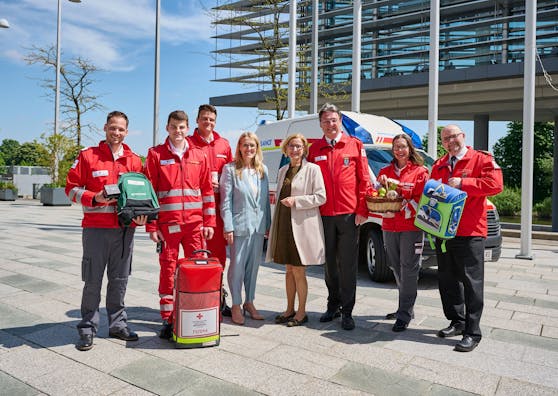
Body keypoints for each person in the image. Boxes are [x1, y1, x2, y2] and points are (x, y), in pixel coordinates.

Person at [66, 110, 147, 351]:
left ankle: (117, 325)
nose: (117, 133)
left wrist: (141, 217)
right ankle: (87, 328)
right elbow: (70, 189)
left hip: (124, 231)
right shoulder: (88, 156)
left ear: (127, 131)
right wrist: (95, 197)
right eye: (113, 128)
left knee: (120, 280)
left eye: (121, 129)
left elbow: (140, 193)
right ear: (105, 128)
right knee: (92, 280)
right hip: (95, 231)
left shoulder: (134, 160)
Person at [143, 110, 216, 339]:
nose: (178, 131)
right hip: (168, 227)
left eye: (182, 127)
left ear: (187, 128)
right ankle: (167, 319)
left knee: (197, 270)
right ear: (167, 128)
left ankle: (195, 312)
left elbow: (206, 191)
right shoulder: (155, 154)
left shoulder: (199, 154)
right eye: (174, 127)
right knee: (168, 270)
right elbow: (150, 193)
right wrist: (152, 226)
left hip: (194, 226)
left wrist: (209, 221)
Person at [431, 124, 503, 352]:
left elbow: (495, 185)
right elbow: (431, 193)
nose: (450, 141)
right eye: (445, 138)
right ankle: (457, 321)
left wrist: (464, 183)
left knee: (472, 283)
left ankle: (473, 332)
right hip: (444, 232)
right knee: (447, 279)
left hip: (471, 231)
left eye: (454, 136)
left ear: (463, 136)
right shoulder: (439, 164)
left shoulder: (481, 159)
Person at [307, 103, 370, 330]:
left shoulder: (354, 145)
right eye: (325, 121)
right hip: (323, 215)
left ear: (340, 121)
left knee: (348, 265)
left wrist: (363, 210)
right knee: (329, 265)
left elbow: (365, 180)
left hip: (348, 215)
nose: (330, 124)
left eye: (333, 120)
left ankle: (347, 311)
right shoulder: (314, 149)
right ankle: (332, 305)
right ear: (320, 124)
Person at [266, 134, 326, 327]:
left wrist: (297, 201)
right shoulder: (283, 170)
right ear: (286, 148)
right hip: (284, 224)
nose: (295, 150)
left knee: (299, 271)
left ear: (304, 149)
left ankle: (301, 312)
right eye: (291, 146)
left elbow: (321, 197)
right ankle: (289, 309)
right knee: (288, 270)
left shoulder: (313, 169)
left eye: (298, 146)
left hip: (301, 226)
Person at [377, 133, 428, 332]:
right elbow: (376, 195)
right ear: (392, 150)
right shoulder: (384, 171)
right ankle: (406, 307)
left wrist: (399, 187)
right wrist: (380, 184)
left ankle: (404, 314)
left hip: (411, 227)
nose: (400, 150)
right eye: (396, 147)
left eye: (403, 146)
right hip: (389, 225)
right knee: (395, 267)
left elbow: (423, 196)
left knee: (409, 269)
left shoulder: (420, 171)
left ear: (410, 149)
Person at [220, 132, 271, 325]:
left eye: (252, 145)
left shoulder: (262, 170)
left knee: (253, 268)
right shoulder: (230, 169)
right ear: (239, 148)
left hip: (258, 227)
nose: (249, 149)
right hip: (239, 226)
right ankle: (235, 304)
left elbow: (265, 200)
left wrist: (268, 225)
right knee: (237, 267)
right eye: (245, 145)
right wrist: (228, 226)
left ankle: (249, 302)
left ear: (257, 148)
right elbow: (225, 202)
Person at [187, 104, 233, 316]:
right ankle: (196, 297)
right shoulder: (187, 143)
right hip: (195, 208)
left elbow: (231, 174)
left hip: (218, 208)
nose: (208, 122)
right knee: (195, 254)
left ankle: (217, 296)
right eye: (204, 119)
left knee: (218, 256)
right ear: (197, 121)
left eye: (212, 119)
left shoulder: (223, 144)